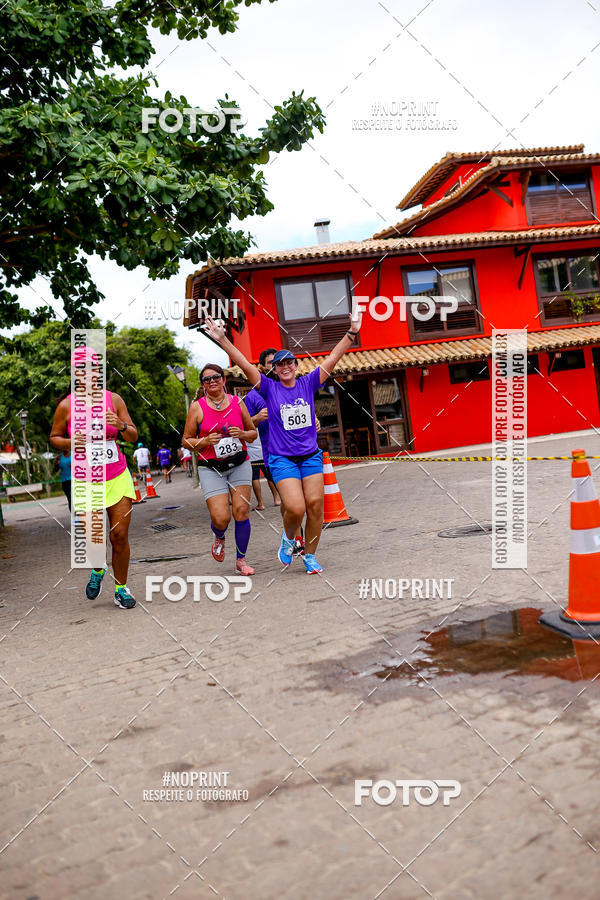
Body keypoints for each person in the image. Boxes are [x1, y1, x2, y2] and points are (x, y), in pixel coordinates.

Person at [203, 310, 362, 573]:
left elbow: (333, 359)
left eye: (290, 363)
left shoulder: (309, 383)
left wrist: (351, 333)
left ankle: (310, 556)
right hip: (281, 458)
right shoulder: (268, 387)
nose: (285, 367)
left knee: (315, 506)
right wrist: (222, 340)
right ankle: (288, 538)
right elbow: (244, 364)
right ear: (274, 370)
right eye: (280, 364)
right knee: (296, 507)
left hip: (310, 455)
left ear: (296, 367)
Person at [49, 347, 138, 608]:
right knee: (95, 538)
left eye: (94, 368)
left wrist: (121, 426)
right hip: (86, 480)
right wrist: (70, 441)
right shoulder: (66, 406)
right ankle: (98, 569)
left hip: (116, 474)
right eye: (83, 369)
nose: (90, 373)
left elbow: (133, 434)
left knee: (119, 535)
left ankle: (121, 589)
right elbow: (54, 438)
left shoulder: (115, 400)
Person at [182, 363, 257, 575]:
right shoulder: (197, 407)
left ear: (223, 379)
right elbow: (186, 441)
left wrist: (241, 434)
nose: (212, 381)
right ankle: (219, 535)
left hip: (239, 463)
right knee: (221, 517)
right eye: (207, 379)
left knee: (241, 511)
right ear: (203, 385)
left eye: (216, 377)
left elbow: (252, 433)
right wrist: (204, 440)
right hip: (211, 467)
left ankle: (241, 561)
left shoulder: (237, 402)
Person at [244, 348, 281, 511]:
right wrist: (257, 418)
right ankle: (293, 535)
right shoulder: (253, 396)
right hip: (274, 454)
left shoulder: (291, 385)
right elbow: (246, 426)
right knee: (291, 503)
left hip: (300, 450)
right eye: (270, 363)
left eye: (277, 362)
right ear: (263, 367)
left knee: (309, 501)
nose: (275, 366)